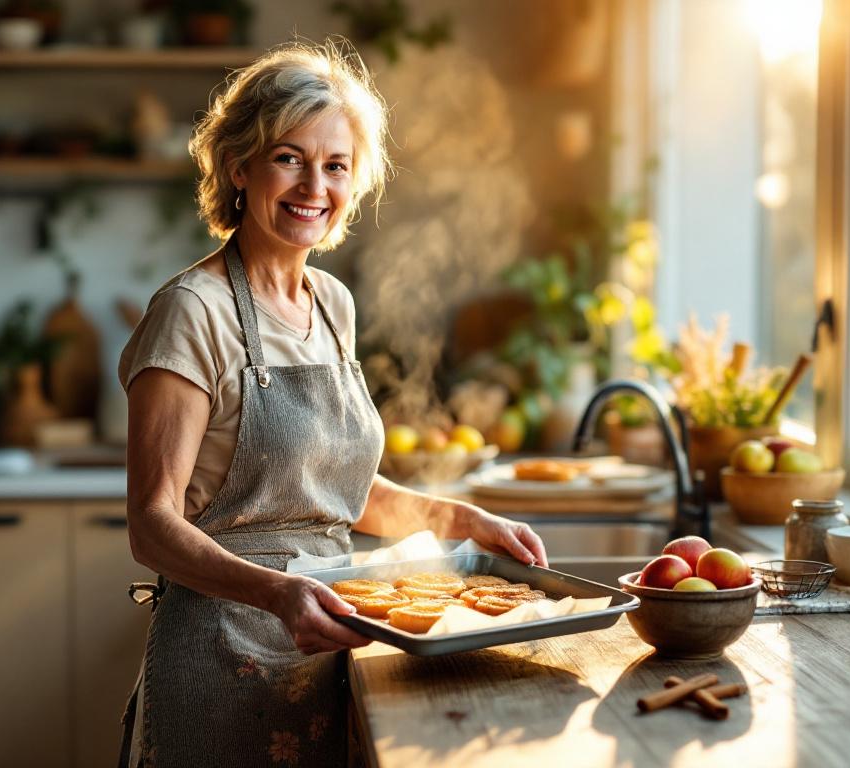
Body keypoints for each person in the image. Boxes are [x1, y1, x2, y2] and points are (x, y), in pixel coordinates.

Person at [117, 40, 549, 767]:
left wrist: (461, 519)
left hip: (335, 645)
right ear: (240, 167)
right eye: (289, 157)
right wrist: (279, 593)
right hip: (225, 652)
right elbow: (151, 525)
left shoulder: (332, 304)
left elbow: (337, 492)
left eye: (336, 165)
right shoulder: (194, 311)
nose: (313, 184)